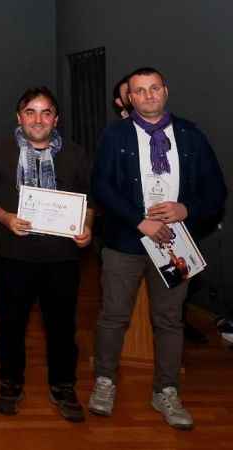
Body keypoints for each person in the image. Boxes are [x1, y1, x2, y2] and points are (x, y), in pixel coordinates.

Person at [89, 67, 227, 430]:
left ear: (165, 91)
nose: (148, 95)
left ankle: (166, 390)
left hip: (175, 244)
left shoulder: (191, 136)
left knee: (168, 321)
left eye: (154, 88)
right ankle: (104, 381)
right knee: (113, 316)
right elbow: (101, 187)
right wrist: (140, 220)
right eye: (140, 90)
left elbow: (217, 191)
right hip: (124, 242)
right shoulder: (114, 135)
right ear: (129, 98)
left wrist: (187, 209)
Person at [0, 87, 93, 422]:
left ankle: (63, 385)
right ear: (20, 117)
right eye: (31, 112)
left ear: (56, 119)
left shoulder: (75, 154)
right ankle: (10, 382)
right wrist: (6, 218)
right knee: (11, 323)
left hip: (62, 257)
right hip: (13, 255)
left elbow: (89, 199)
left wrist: (86, 228)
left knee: (61, 326)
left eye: (46, 113)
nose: (38, 119)